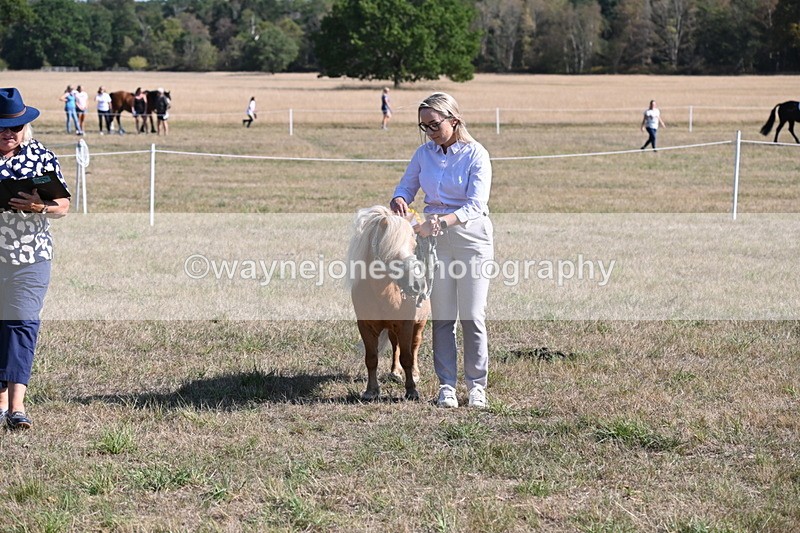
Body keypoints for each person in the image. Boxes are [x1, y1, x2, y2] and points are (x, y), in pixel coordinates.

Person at [390, 92, 493, 409]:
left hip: (471, 240)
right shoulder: (423, 154)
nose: (430, 131)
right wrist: (399, 198)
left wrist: (439, 224)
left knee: (472, 317)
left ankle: (477, 387)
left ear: (454, 120)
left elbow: (476, 205)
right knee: (443, 318)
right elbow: (407, 186)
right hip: (435, 246)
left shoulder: (476, 154)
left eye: (434, 124)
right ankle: (446, 385)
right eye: (424, 126)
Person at [0, 87, 71, 430]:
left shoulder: (40, 157)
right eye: (1, 127)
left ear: (24, 126)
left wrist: (37, 206)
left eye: (13, 128)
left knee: (22, 324)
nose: (7, 134)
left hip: (31, 256)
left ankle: (17, 406)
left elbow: (63, 206)